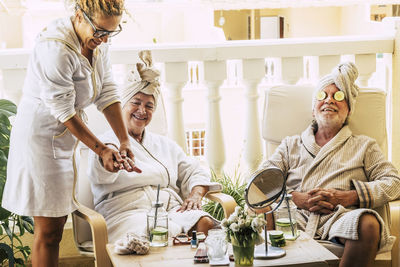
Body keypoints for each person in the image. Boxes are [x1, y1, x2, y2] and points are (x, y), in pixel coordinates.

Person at [1, 1, 141, 266]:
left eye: (111, 32)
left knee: (57, 222)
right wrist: (102, 150)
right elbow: (63, 111)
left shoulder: (98, 43)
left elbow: (108, 91)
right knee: (50, 230)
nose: (104, 39)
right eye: (100, 31)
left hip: (64, 139)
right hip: (40, 140)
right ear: (79, 16)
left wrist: (124, 140)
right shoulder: (55, 49)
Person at [260, 62, 400, 267]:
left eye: (338, 96)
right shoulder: (291, 145)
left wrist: (348, 196)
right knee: (260, 212)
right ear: (313, 110)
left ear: (349, 110)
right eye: (322, 96)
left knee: (369, 224)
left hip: (340, 218)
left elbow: (394, 183)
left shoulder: (364, 146)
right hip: (294, 216)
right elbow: (259, 181)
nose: (329, 101)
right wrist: (294, 198)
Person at [87, 50, 220, 244]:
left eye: (149, 106)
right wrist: (109, 161)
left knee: (204, 222)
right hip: (126, 214)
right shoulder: (107, 143)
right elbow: (99, 170)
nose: (142, 111)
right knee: (159, 235)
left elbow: (194, 171)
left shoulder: (165, 144)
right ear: (122, 105)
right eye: (136, 103)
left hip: (169, 210)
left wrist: (195, 194)